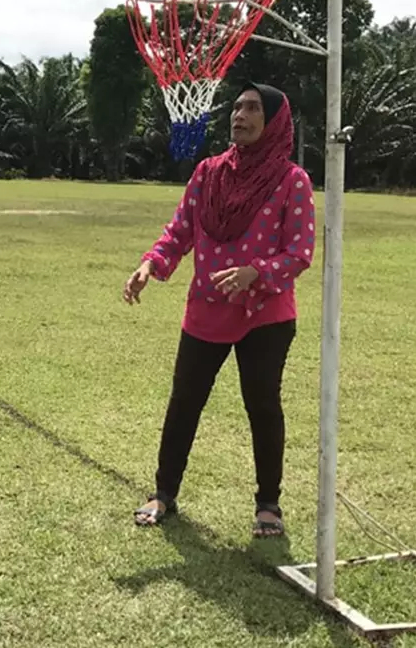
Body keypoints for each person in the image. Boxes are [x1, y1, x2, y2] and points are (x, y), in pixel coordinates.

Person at [124, 84, 316, 537]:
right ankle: (163, 493)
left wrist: (256, 272)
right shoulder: (209, 173)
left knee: (262, 406)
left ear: (274, 122)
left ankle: (269, 504)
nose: (240, 116)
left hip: (264, 314)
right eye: (236, 107)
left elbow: (300, 252)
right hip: (206, 311)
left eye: (252, 109)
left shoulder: (292, 181)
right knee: (184, 403)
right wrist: (151, 263)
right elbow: (180, 230)